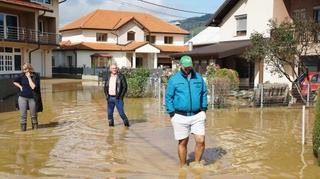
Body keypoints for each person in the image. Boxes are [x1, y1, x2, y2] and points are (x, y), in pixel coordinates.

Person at [165, 55, 208, 168]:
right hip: (179, 116)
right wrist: (172, 113)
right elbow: (168, 97)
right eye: (186, 67)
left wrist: (204, 109)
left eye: (190, 66)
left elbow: (204, 93)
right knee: (183, 142)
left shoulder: (198, 78)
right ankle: (183, 166)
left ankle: (197, 164)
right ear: (181, 65)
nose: (188, 68)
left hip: (198, 114)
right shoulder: (174, 79)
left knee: (201, 141)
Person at [13, 63, 43, 131]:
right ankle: (23, 133)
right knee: (23, 116)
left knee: (34, 116)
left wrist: (29, 77)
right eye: (23, 69)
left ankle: (35, 133)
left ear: (29, 69)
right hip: (22, 98)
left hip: (33, 98)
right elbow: (14, 81)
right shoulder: (21, 75)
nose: (24, 71)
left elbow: (33, 87)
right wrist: (20, 86)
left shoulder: (36, 76)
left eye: (26, 69)